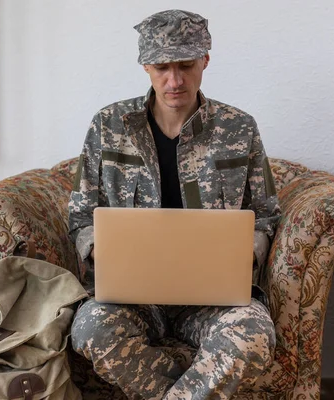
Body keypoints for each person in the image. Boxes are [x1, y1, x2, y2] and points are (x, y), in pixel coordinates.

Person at [68, 9, 281, 400]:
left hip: (211, 299)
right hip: (133, 296)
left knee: (253, 336)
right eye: (162, 67)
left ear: (205, 61)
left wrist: (244, 251)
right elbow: (81, 214)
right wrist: (102, 248)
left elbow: (266, 214)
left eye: (185, 65)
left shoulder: (239, 127)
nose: (174, 80)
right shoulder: (109, 125)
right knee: (89, 330)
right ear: (146, 67)